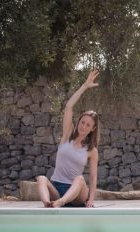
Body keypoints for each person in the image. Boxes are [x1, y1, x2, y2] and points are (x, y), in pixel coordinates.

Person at [37, 70, 100, 208]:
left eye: (88, 125)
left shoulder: (92, 150)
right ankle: (48, 203)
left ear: (92, 129)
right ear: (79, 121)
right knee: (41, 178)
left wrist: (91, 199)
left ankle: (59, 203)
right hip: (57, 187)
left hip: (76, 192)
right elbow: (68, 106)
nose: (83, 126)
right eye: (82, 122)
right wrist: (84, 86)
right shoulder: (67, 136)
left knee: (80, 178)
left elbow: (94, 176)